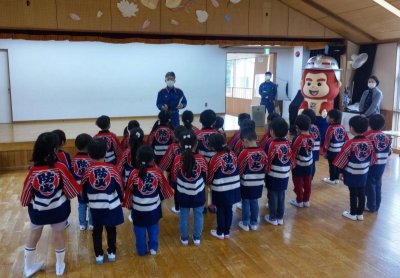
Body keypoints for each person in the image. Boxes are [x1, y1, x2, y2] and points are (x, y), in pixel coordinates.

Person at [20, 132, 80, 277]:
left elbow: (26, 194)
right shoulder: (60, 167)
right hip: (58, 210)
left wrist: (25, 202)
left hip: (37, 212)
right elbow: (72, 191)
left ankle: (28, 268)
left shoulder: (33, 171)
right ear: (55, 150)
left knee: (34, 235)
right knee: (58, 235)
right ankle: (59, 266)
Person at [123, 145, 174, 256]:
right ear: (153, 159)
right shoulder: (157, 172)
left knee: (139, 229)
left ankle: (141, 250)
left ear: (137, 158)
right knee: (153, 227)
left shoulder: (133, 173)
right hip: (153, 208)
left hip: (138, 209)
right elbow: (166, 191)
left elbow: (129, 191)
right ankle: (153, 249)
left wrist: (128, 205)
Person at [81, 138, 124, 264]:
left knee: (97, 231)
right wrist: (121, 199)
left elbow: (83, 190)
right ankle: (111, 253)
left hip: (95, 206)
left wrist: (86, 201)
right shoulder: (112, 168)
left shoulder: (87, 171)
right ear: (105, 153)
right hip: (112, 205)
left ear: (89, 154)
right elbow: (120, 186)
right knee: (111, 229)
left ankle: (98, 255)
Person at [333, 116, 376, 221]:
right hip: (364, 172)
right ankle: (360, 214)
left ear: (352, 128)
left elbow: (342, 159)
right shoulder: (369, 142)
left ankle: (352, 213)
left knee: (353, 193)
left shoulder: (350, 143)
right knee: (361, 192)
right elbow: (372, 159)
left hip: (352, 173)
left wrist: (340, 172)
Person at [171, 130, 208, 246]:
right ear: (196, 144)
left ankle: (184, 238)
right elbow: (206, 175)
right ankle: (197, 238)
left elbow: (173, 176)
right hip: (199, 193)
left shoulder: (178, 159)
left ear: (180, 144)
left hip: (182, 194)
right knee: (199, 215)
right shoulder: (201, 159)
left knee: (183, 216)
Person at [207, 133, 241, 239]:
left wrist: (208, 183)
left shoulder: (215, 158)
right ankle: (226, 231)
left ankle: (220, 232)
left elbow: (210, 175)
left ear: (214, 146)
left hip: (220, 189)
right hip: (234, 186)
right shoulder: (233, 154)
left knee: (220, 209)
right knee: (229, 208)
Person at [237, 125, 267, 231]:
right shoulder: (263, 152)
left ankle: (245, 223)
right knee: (255, 201)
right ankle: (254, 223)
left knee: (245, 202)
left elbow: (240, 168)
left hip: (246, 183)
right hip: (259, 182)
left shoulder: (244, 153)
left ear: (244, 140)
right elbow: (266, 167)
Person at [264, 118, 292, 225]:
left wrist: (266, 172)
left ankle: (272, 217)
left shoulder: (272, 144)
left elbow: (268, 159)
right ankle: (280, 217)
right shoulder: (287, 143)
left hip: (273, 174)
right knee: (281, 195)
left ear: (272, 131)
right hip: (285, 174)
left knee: (272, 195)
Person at [364, 114, 391, 212]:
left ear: (369, 124)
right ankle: (376, 205)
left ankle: (371, 206)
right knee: (378, 184)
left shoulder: (368, 135)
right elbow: (389, 152)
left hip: (371, 165)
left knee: (370, 185)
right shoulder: (386, 137)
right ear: (383, 125)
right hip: (382, 164)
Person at [159, 125, 187, 214]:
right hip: (189, 174)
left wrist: (161, 168)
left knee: (178, 191)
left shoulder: (173, 146)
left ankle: (178, 207)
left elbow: (166, 160)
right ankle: (185, 206)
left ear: (176, 136)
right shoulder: (190, 145)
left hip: (176, 174)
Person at [290, 115, 314, 208]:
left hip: (298, 165)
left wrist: (291, 165)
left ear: (297, 127)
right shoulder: (312, 136)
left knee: (298, 183)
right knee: (308, 183)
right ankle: (306, 200)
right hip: (309, 164)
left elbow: (293, 152)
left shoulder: (298, 138)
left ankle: (299, 201)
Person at [71, 133, 93, 231]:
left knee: (82, 204)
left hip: (78, 186)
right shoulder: (91, 159)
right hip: (90, 186)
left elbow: (71, 174)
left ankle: (82, 225)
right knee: (91, 204)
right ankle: (92, 224)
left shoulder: (73, 159)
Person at [322, 109, 349, 185]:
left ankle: (332, 179)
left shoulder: (330, 128)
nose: (326, 117)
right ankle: (336, 179)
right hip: (340, 151)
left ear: (332, 119)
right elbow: (346, 139)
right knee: (337, 165)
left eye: (328, 116)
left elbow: (327, 141)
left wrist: (324, 151)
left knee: (332, 165)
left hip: (332, 151)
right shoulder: (342, 127)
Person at [301, 109, 321, 177]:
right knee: (313, 164)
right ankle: (310, 178)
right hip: (316, 148)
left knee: (308, 164)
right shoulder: (316, 127)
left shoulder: (307, 128)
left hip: (309, 149)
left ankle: (307, 178)